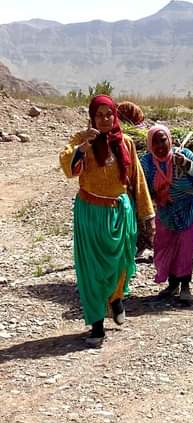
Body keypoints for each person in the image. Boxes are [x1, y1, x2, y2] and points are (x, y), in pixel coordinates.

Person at [59, 95, 154, 347]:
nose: (105, 119)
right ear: (92, 117)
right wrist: (82, 149)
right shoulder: (81, 140)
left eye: (109, 114)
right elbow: (68, 169)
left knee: (121, 262)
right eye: (99, 115)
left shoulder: (127, 143)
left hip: (120, 211)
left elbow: (137, 178)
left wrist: (147, 214)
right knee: (91, 270)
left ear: (115, 116)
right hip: (90, 212)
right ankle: (97, 326)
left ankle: (116, 299)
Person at [140, 125, 193, 303]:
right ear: (149, 144)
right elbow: (142, 188)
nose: (160, 146)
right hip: (165, 211)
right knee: (165, 246)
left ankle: (185, 285)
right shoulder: (146, 163)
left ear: (169, 140)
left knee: (186, 246)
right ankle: (172, 284)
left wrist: (187, 165)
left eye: (162, 140)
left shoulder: (183, 154)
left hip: (189, 208)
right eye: (154, 142)